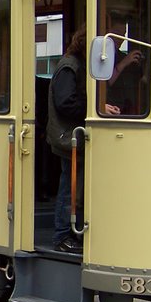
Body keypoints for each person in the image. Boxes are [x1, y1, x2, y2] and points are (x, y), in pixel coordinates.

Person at [46, 24, 116, 253]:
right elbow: (66, 104)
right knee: (70, 187)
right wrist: (95, 107)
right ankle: (62, 235)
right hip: (69, 137)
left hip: (73, 135)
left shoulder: (75, 65)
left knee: (74, 186)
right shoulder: (70, 67)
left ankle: (70, 232)